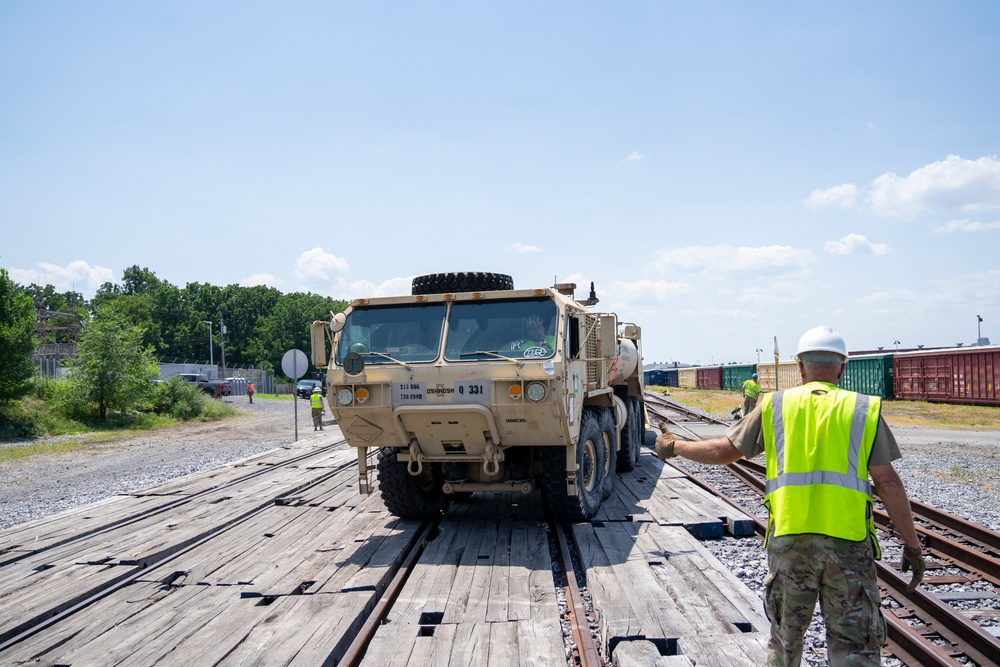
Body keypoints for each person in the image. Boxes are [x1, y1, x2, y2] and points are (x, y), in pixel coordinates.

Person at [654, 325, 925, 667]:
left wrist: (676, 446)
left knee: (785, 642)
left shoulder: (775, 406)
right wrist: (912, 545)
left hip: (789, 544)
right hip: (848, 545)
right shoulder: (862, 410)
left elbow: (724, 451)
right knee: (854, 645)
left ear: (799, 367)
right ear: (842, 367)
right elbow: (887, 483)